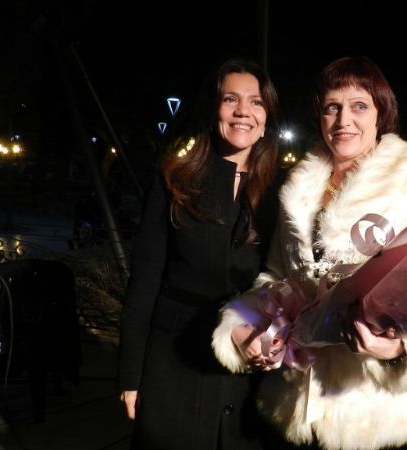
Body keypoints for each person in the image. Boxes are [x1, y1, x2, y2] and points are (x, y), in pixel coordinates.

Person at [212, 56, 407, 450]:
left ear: (381, 113)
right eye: (332, 107)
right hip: (297, 404)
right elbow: (275, 277)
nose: (344, 120)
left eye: (359, 106)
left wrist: (397, 350)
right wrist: (247, 329)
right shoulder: (297, 188)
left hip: (381, 416)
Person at [117, 59, 280, 450]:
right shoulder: (175, 178)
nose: (243, 111)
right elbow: (145, 279)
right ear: (214, 109)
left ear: (266, 118)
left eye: (256, 102)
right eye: (231, 99)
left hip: (249, 368)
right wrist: (130, 375)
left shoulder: (282, 190)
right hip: (174, 362)